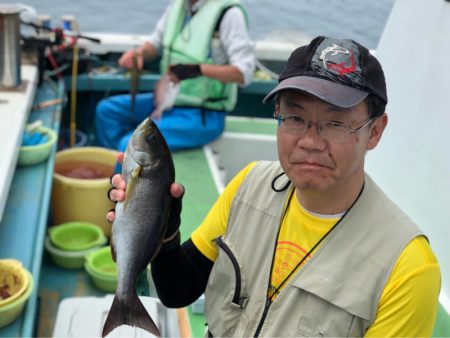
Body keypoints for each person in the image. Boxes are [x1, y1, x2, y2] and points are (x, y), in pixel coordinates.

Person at [107, 36, 441, 337]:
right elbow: (178, 291)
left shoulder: (407, 268)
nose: (310, 141)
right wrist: (163, 229)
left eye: (336, 122)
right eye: (295, 118)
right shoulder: (250, 185)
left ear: (376, 131)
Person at [95, 0, 255, 152]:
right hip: (166, 101)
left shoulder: (230, 13)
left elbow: (244, 72)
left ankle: (126, 170)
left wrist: (198, 70)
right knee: (107, 111)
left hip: (204, 114)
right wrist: (139, 53)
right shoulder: (178, 5)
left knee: (132, 146)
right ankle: (120, 170)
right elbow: (155, 42)